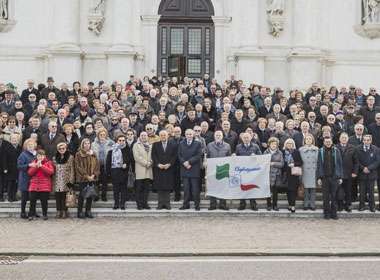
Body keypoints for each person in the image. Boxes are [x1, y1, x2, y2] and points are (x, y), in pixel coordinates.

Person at [317, 137, 343, 220]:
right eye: (326, 142)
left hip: (334, 177)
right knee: (326, 197)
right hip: (324, 177)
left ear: (332, 142)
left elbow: (340, 164)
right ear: (324, 142)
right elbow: (318, 165)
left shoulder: (336, 151)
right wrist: (319, 177)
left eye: (329, 141)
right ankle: (326, 213)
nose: (328, 143)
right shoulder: (320, 151)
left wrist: (340, 177)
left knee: (334, 197)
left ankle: (334, 213)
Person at [151, 130, 178, 210]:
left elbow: (174, 156)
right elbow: (153, 155)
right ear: (159, 136)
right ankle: (160, 204)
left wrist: (169, 164)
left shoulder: (173, 144)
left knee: (167, 186)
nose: (163, 136)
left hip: (169, 168)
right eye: (161, 135)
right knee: (160, 187)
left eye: (164, 135)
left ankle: (167, 204)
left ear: (168, 136)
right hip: (158, 169)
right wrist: (158, 164)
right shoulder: (155, 144)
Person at [235, 132, 262, 211]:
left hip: (252, 171)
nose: (246, 139)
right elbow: (236, 157)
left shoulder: (256, 146)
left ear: (250, 138)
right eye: (244, 138)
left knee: (251, 187)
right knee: (242, 187)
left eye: (247, 137)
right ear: (242, 139)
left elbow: (261, 156)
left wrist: (256, 156)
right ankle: (242, 204)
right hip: (242, 171)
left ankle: (253, 204)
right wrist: (234, 156)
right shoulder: (238, 147)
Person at [206, 130, 232, 210]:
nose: (218, 136)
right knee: (212, 187)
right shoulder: (209, 145)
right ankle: (213, 205)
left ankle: (222, 205)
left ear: (222, 136)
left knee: (223, 187)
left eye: (219, 135)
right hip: (212, 169)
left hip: (223, 169)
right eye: (216, 135)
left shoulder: (227, 146)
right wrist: (205, 163)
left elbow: (229, 158)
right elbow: (207, 157)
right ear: (214, 136)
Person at [75, 138, 100, 218]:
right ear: (82, 145)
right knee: (82, 196)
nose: (87, 145)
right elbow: (78, 167)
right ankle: (80, 212)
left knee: (90, 195)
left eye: (88, 143)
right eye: (85, 143)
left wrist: (93, 175)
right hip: (83, 178)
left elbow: (97, 165)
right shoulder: (79, 154)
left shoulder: (93, 154)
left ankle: (88, 211)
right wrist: (86, 176)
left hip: (92, 178)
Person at [178, 129, 202, 211]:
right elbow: (179, 155)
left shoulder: (198, 143)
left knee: (195, 189)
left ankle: (197, 205)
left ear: (193, 135)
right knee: (186, 189)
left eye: (190, 134)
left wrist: (189, 162)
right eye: (187, 134)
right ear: (185, 135)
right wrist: (184, 162)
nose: (189, 135)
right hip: (184, 168)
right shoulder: (181, 143)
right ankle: (185, 205)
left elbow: (198, 155)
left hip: (194, 168)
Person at [354, 134, 380, 212]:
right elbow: (356, 161)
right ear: (363, 140)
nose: (366, 141)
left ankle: (372, 206)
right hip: (362, 173)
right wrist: (363, 168)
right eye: (365, 140)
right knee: (362, 191)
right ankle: (361, 206)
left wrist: (369, 168)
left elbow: (377, 161)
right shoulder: (357, 149)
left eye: (368, 140)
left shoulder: (376, 149)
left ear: (371, 140)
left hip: (371, 173)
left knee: (371, 192)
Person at [27, 149, 55, 220]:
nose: (40, 157)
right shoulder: (33, 163)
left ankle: (45, 214)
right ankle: (31, 214)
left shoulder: (48, 163)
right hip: (34, 185)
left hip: (44, 185)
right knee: (32, 201)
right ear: (36, 156)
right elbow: (30, 173)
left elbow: (51, 172)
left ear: (44, 156)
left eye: (42, 156)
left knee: (44, 201)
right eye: (38, 156)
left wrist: (41, 166)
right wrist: (36, 166)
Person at [106, 134, 131, 210]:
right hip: (115, 171)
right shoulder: (112, 149)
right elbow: (108, 161)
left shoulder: (127, 149)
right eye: (120, 140)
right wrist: (109, 172)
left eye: (123, 140)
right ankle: (116, 203)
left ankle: (122, 204)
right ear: (117, 141)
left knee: (123, 189)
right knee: (116, 189)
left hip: (123, 171)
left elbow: (129, 159)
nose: (122, 142)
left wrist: (126, 164)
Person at [53, 142, 75, 219]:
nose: (61, 150)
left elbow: (72, 169)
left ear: (66, 149)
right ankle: (58, 211)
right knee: (58, 196)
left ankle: (65, 211)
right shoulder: (54, 157)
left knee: (64, 196)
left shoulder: (70, 157)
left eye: (63, 148)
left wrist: (71, 181)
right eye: (60, 149)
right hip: (57, 179)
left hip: (66, 179)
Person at [92, 128, 114, 201]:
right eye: (100, 134)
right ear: (98, 135)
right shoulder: (94, 143)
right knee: (96, 181)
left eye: (104, 134)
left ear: (106, 135)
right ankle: (96, 196)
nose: (102, 136)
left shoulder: (110, 143)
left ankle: (104, 195)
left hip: (105, 165)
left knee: (105, 181)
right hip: (96, 165)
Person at [17, 138, 37, 219]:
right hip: (25, 178)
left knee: (33, 197)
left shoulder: (36, 154)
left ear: (34, 145)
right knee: (24, 197)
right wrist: (29, 165)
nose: (30, 146)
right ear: (26, 146)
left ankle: (32, 212)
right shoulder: (23, 154)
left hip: (34, 179)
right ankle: (23, 212)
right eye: (29, 145)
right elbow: (19, 166)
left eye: (32, 145)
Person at [336, 132, 356, 212]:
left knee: (348, 191)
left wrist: (355, 172)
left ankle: (348, 205)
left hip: (349, 173)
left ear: (348, 139)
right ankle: (340, 205)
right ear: (339, 139)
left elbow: (356, 162)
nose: (344, 139)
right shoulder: (335, 147)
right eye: (342, 137)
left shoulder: (352, 148)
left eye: (345, 138)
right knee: (339, 191)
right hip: (338, 173)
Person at [133, 131, 153, 210]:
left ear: (147, 136)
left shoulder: (150, 145)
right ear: (139, 136)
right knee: (139, 189)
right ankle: (139, 204)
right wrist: (146, 163)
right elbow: (137, 157)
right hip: (140, 169)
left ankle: (145, 203)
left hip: (148, 170)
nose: (144, 137)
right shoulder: (136, 145)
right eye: (142, 135)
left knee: (146, 189)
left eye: (145, 135)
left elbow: (153, 156)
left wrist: (150, 162)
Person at [299, 134, 319, 210]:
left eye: (310, 139)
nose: (308, 140)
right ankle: (306, 204)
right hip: (305, 170)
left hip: (314, 170)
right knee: (306, 188)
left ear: (312, 140)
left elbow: (318, 161)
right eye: (307, 139)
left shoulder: (317, 149)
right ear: (304, 140)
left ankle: (312, 204)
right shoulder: (301, 149)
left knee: (313, 189)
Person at [263, 137, 284, 211]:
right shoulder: (266, 152)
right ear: (269, 144)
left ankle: (275, 205)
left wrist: (273, 163)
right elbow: (263, 163)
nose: (274, 145)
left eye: (275, 144)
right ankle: (268, 205)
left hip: (276, 174)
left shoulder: (280, 153)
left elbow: (282, 164)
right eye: (272, 144)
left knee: (275, 191)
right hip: (268, 174)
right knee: (268, 191)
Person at [283, 138, 303, 213]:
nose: (289, 145)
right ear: (285, 144)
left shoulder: (296, 152)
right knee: (288, 190)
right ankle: (289, 205)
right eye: (288, 143)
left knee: (293, 190)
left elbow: (300, 162)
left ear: (293, 144)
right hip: (285, 173)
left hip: (294, 174)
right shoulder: (283, 152)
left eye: (291, 144)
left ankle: (293, 205)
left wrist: (294, 164)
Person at [3, 133, 22, 202]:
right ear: (10, 140)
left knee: (16, 183)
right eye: (13, 138)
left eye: (16, 138)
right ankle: (10, 197)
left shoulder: (20, 148)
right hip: (9, 169)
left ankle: (14, 196)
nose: (14, 140)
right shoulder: (6, 148)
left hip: (17, 169)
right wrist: (5, 168)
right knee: (10, 183)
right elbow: (4, 159)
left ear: (18, 139)